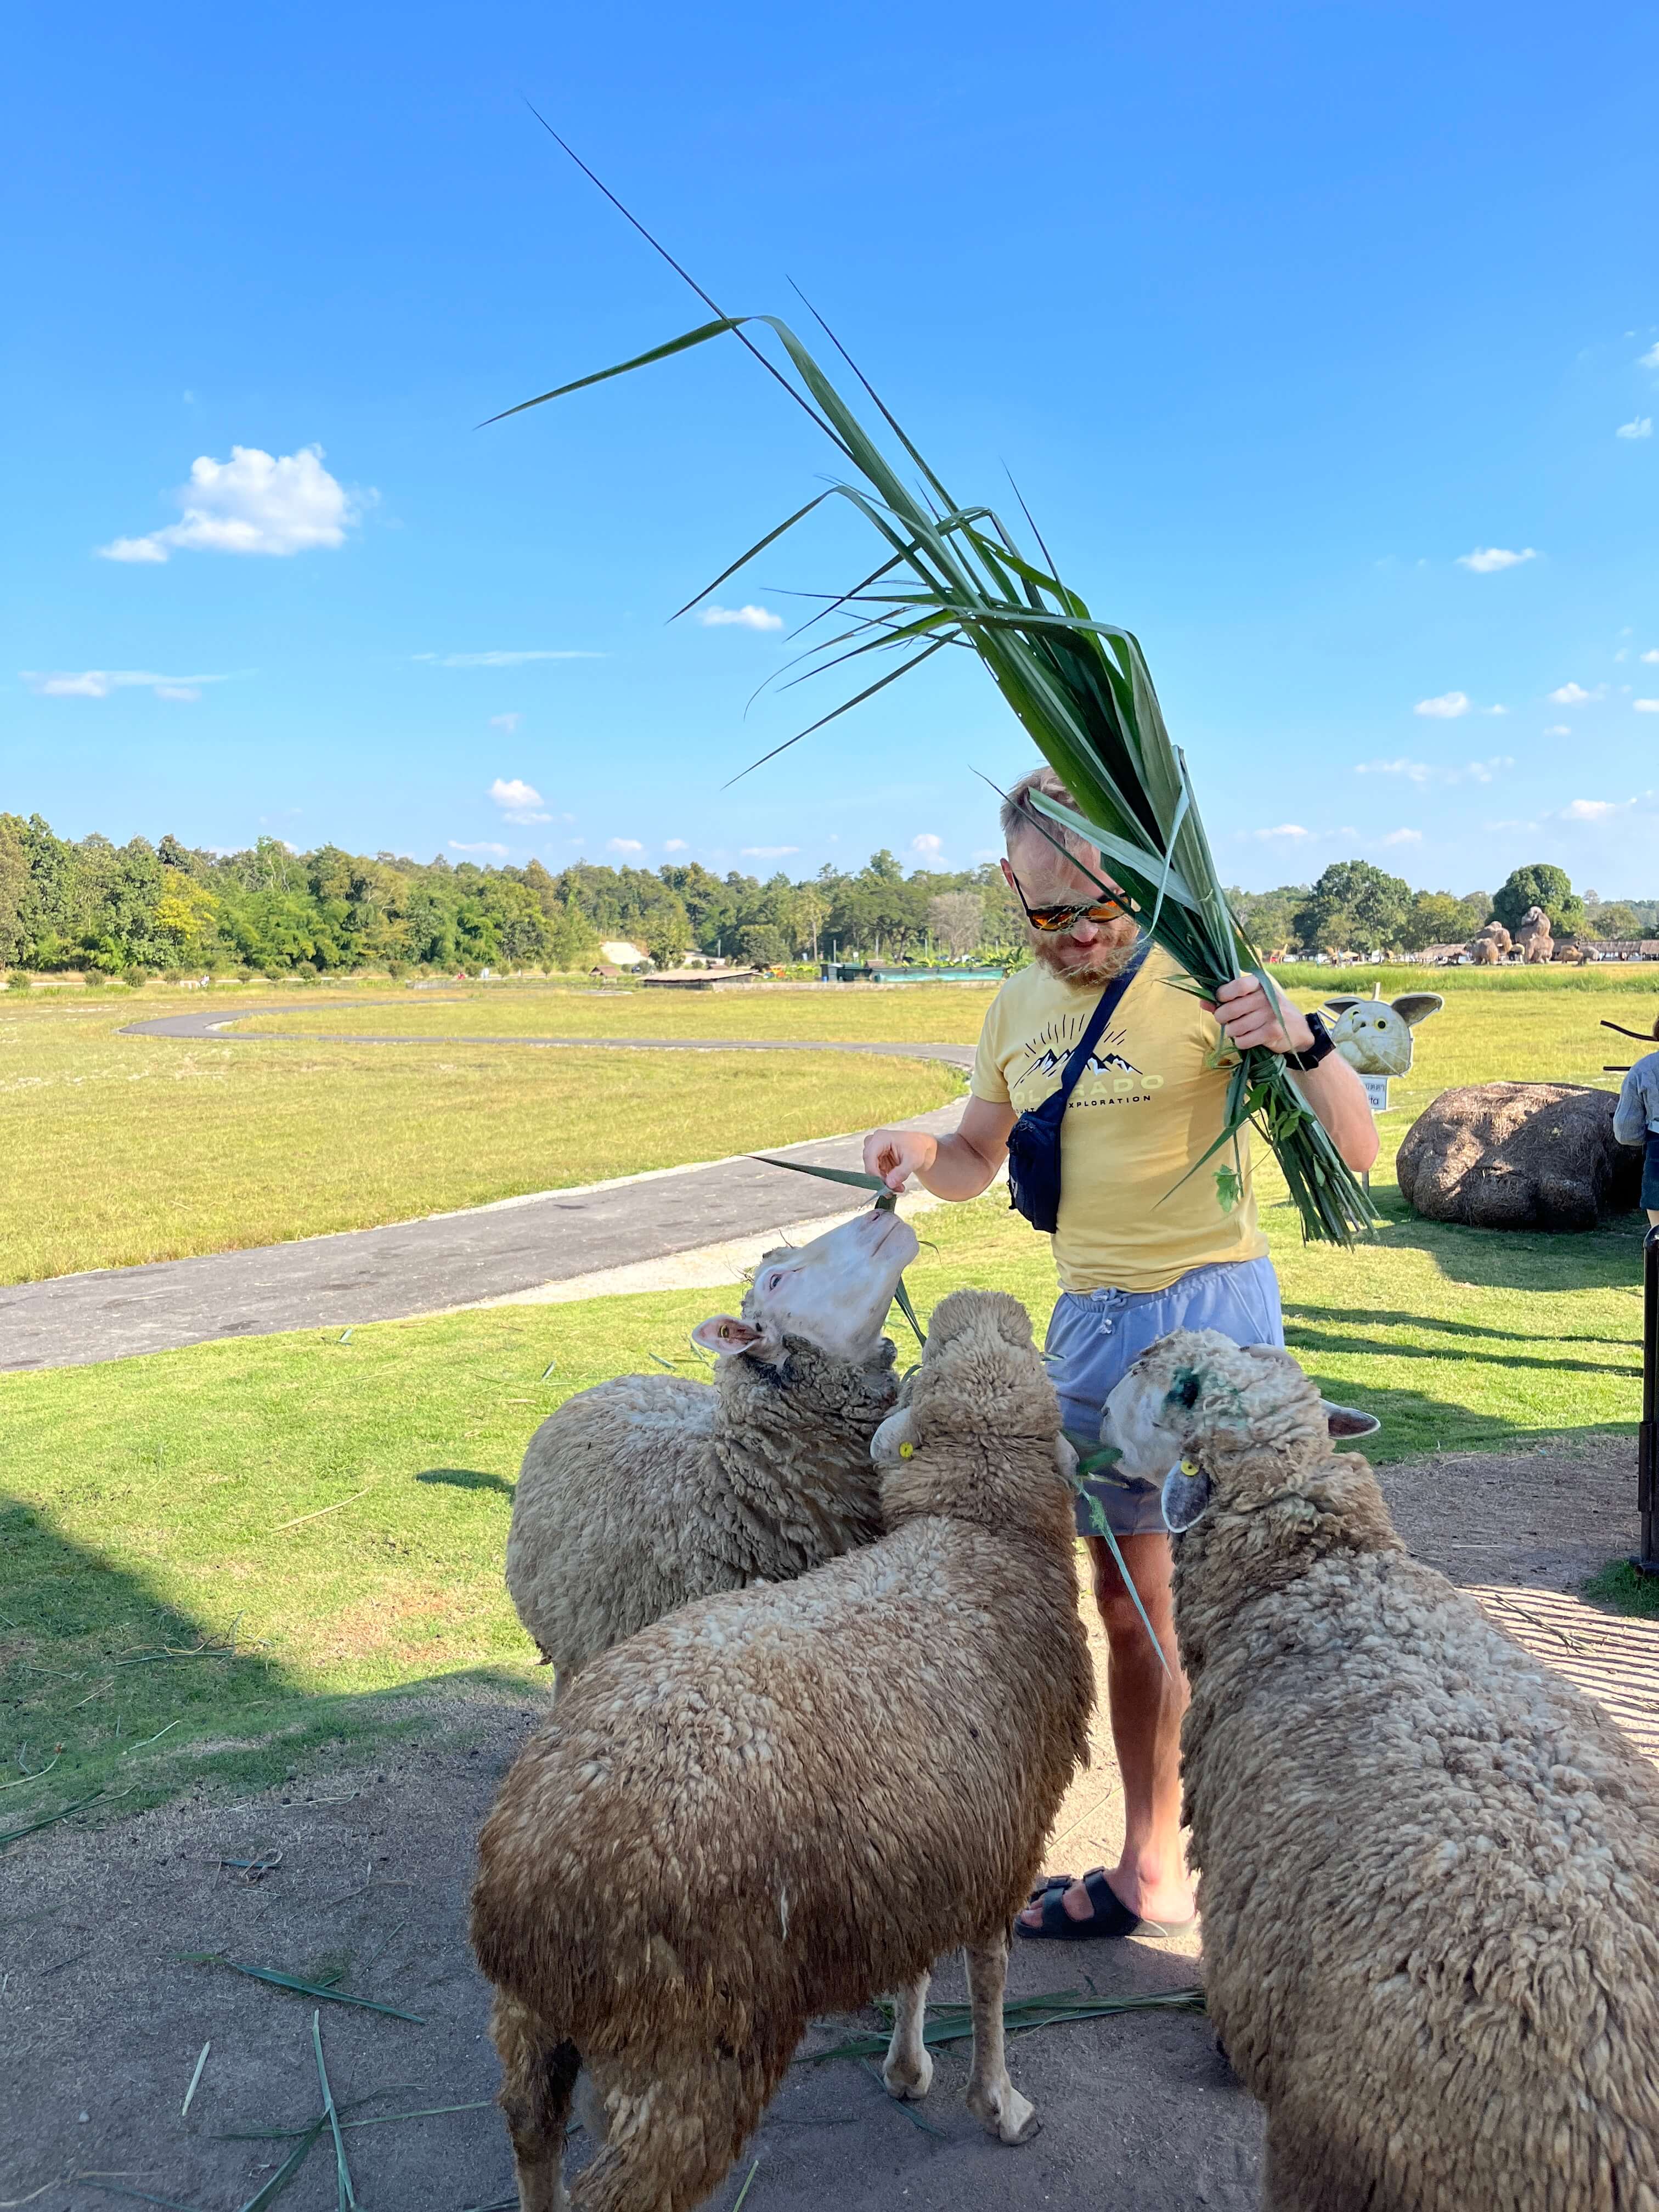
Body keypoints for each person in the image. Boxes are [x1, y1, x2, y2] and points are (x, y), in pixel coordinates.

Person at [861, 766, 1378, 1939]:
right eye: (1052, 913)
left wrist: (1298, 1040)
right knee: (1126, 1600)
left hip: (1214, 1324)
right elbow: (974, 1159)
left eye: (1105, 906)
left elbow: (1355, 1152)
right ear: (1010, 886)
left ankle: (1281, 1865)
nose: (1083, 933)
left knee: (1240, 1592)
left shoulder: (1215, 979)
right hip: (1091, 1323)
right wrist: (913, 1148)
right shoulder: (1013, 1010)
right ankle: (1154, 1868)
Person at [1613, 1016, 1659, 1228]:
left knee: (1657, 1236)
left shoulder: (1643, 1069)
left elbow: (1625, 1130)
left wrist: (1647, 1136)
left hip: (1657, 1147)